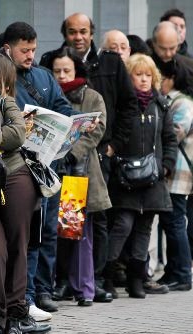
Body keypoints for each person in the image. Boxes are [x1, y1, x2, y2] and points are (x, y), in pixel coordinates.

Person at [39, 13, 139, 302]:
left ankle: (95, 279)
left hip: (96, 160)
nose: (78, 36)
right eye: (72, 32)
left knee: (97, 222)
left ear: (92, 33)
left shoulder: (109, 64)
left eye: (83, 31)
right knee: (67, 224)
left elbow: (124, 107)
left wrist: (113, 147)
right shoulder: (51, 63)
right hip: (57, 163)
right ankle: (68, 281)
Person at [0, 21, 75, 321]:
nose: (30, 55)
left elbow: (64, 109)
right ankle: (24, 295)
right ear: (8, 48)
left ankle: (43, 289)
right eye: (24, 50)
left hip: (47, 168)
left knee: (48, 232)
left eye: (33, 49)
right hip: (17, 169)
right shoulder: (1, 78)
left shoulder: (43, 76)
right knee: (24, 236)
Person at [0, 53, 50, 334]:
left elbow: (17, 135)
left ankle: (16, 312)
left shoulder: (7, 103)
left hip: (15, 175)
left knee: (18, 244)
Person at [104, 53, 178, 298]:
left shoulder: (161, 105)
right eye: (138, 74)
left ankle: (137, 279)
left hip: (152, 178)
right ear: (129, 77)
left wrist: (166, 165)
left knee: (144, 229)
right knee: (123, 225)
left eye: (148, 75)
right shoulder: (122, 104)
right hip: (125, 177)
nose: (144, 80)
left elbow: (169, 138)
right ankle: (107, 276)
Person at [44, 47, 111, 306]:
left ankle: (84, 287)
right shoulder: (47, 94)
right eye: (57, 71)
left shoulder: (92, 97)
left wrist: (68, 154)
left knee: (76, 230)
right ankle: (60, 283)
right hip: (49, 172)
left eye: (67, 70)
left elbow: (96, 132)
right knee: (55, 233)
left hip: (78, 173)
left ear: (76, 70)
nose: (61, 75)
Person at [155, 59, 193, 292]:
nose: (158, 83)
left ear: (172, 79)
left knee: (175, 223)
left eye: (161, 78)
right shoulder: (183, 102)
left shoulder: (183, 105)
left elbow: (173, 136)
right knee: (172, 222)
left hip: (178, 175)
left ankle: (183, 274)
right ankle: (173, 272)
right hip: (176, 175)